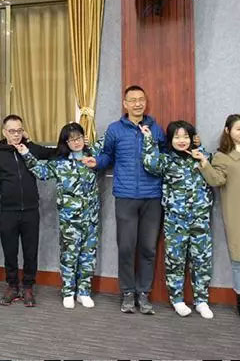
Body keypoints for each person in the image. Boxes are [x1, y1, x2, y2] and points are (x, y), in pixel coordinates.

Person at [92, 85, 166, 315]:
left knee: (148, 248)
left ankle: (143, 294)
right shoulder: (115, 129)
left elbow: (164, 156)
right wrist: (97, 163)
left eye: (141, 99)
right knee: (126, 247)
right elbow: (107, 155)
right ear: (125, 104)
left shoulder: (156, 129)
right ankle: (127, 293)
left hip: (152, 197)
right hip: (125, 196)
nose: (137, 103)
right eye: (132, 100)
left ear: (146, 102)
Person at [14, 122, 102, 309]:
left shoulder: (93, 156)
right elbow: (41, 172)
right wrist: (26, 153)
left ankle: (84, 292)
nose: (76, 142)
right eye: (72, 140)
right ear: (65, 143)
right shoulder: (59, 163)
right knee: (69, 255)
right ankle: (68, 292)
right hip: (70, 221)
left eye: (79, 138)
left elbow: (108, 144)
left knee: (88, 256)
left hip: (91, 219)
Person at [0, 114, 54, 307]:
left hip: (30, 210)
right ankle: (12, 286)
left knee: (30, 251)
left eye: (19, 131)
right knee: (10, 251)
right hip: (8, 211)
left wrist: (30, 143)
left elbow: (54, 153)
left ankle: (28, 287)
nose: (16, 134)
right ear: (4, 132)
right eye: (12, 131)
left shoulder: (30, 149)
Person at [142, 120, 214, 318]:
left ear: (192, 138)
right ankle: (177, 300)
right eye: (177, 137)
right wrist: (148, 139)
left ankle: (201, 301)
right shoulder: (167, 160)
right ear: (170, 139)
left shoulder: (202, 156)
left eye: (185, 137)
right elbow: (150, 163)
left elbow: (214, 176)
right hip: (176, 220)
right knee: (175, 260)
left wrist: (201, 152)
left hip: (200, 218)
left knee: (201, 260)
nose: (181, 140)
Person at [197, 114, 240, 316]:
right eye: (238, 129)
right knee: (238, 260)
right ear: (227, 131)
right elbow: (216, 180)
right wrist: (205, 163)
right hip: (236, 214)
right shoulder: (223, 157)